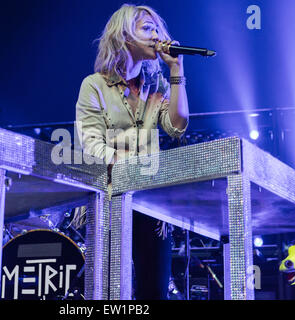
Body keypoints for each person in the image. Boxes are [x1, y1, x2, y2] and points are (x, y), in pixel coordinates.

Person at [75, 3, 189, 299]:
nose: (156, 35)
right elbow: (92, 146)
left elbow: (177, 125)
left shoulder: (157, 84)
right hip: (109, 201)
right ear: (125, 35)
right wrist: (139, 166)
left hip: (151, 204)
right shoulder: (94, 86)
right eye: (147, 28)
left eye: (157, 29)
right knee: (111, 292)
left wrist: (176, 69)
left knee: (155, 292)